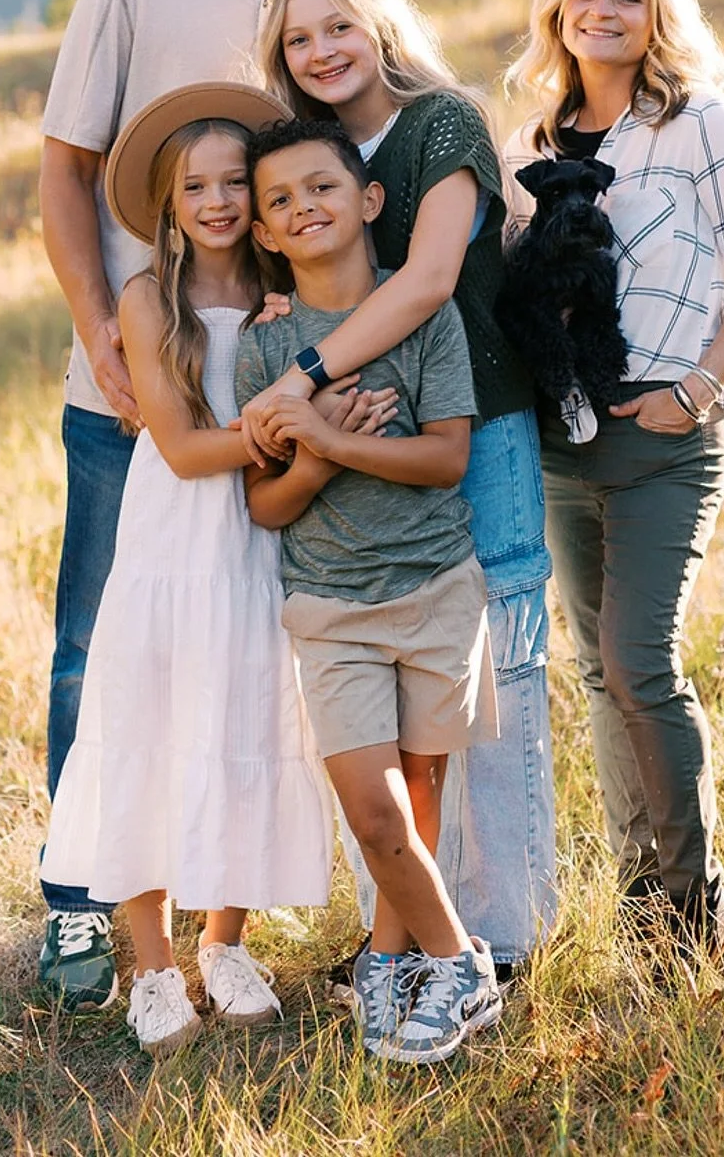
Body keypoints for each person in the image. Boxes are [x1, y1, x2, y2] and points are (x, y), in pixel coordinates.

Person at [36, 0, 338, 1008]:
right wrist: (106, 335)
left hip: (274, 382)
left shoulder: (333, 1)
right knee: (102, 642)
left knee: (254, 644)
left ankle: (226, 915)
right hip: (136, 379)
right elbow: (64, 171)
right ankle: (77, 914)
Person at [42, 84, 387, 1053]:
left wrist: (297, 402)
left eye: (236, 180)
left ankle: (225, 942)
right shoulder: (150, 296)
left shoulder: (281, 294)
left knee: (245, 717)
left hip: (254, 541)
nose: (220, 199)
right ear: (170, 199)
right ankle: (153, 964)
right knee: (151, 729)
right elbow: (187, 449)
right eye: (198, 184)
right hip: (171, 541)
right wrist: (293, 425)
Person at [242, 0, 556, 976]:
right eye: (299, 39)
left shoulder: (444, 124)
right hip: (372, 436)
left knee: (494, 681)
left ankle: (503, 931)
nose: (322, 50)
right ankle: (420, 932)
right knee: (398, 698)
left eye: (339, 27)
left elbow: (425, 281)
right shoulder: (317, 152)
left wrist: (302, 374)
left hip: (479, 427)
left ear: (379, 27)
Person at [503, 0, 724, 952]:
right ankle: (640, 901)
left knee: (639, 665)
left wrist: (697, 390)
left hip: (667, 441)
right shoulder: (531, 146)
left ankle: (689, 904)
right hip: (560, 447)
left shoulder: (702, 124)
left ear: (656, 11)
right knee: (594, 672)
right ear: (559, 12)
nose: (604, 11)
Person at [237, 118, 503, 1066]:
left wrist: (331, 437)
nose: (303, 208)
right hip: (331, 607)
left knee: (422, 793)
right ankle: (464, 965)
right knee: (377, 814)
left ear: (369, 201)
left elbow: (444, 459)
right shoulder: (264, 352)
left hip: (437, 588)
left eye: (322, 188)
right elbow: (266, 505)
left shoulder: (424, 314)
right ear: (263, 234)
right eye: (280, 202)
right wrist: (311, 451)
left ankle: (389, 965)